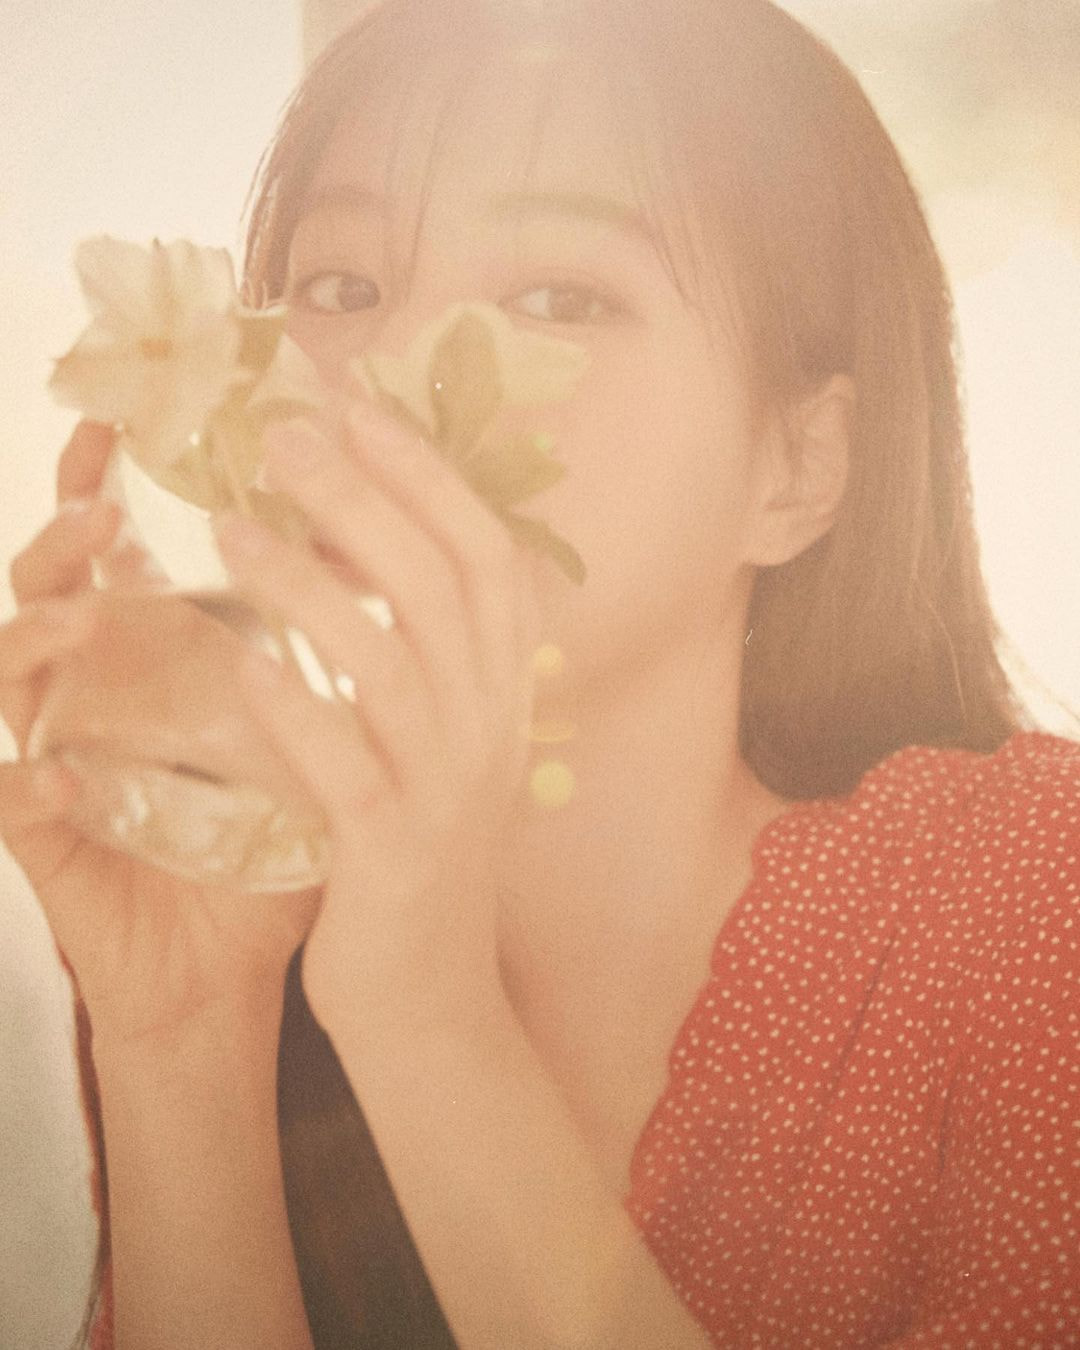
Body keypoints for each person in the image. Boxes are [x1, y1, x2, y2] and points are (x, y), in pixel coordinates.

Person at [1, 0, 1078, 1345]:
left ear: (797, 469)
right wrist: (182, 1038)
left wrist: (425, 1015)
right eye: (343, 289)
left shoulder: (1034, 891)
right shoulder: (247, 922)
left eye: (562, 297)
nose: (388, 374)